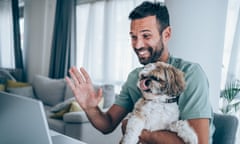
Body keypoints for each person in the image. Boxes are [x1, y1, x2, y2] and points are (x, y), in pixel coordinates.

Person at [66, 1, 214, 144]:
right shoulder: (135, 77)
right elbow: (108, 124)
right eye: (133, 37)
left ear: (167, 34)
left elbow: (199, 142)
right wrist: (90, 107)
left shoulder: (190, 74)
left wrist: (138, 132)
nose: (138, 45)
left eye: (146, 36)